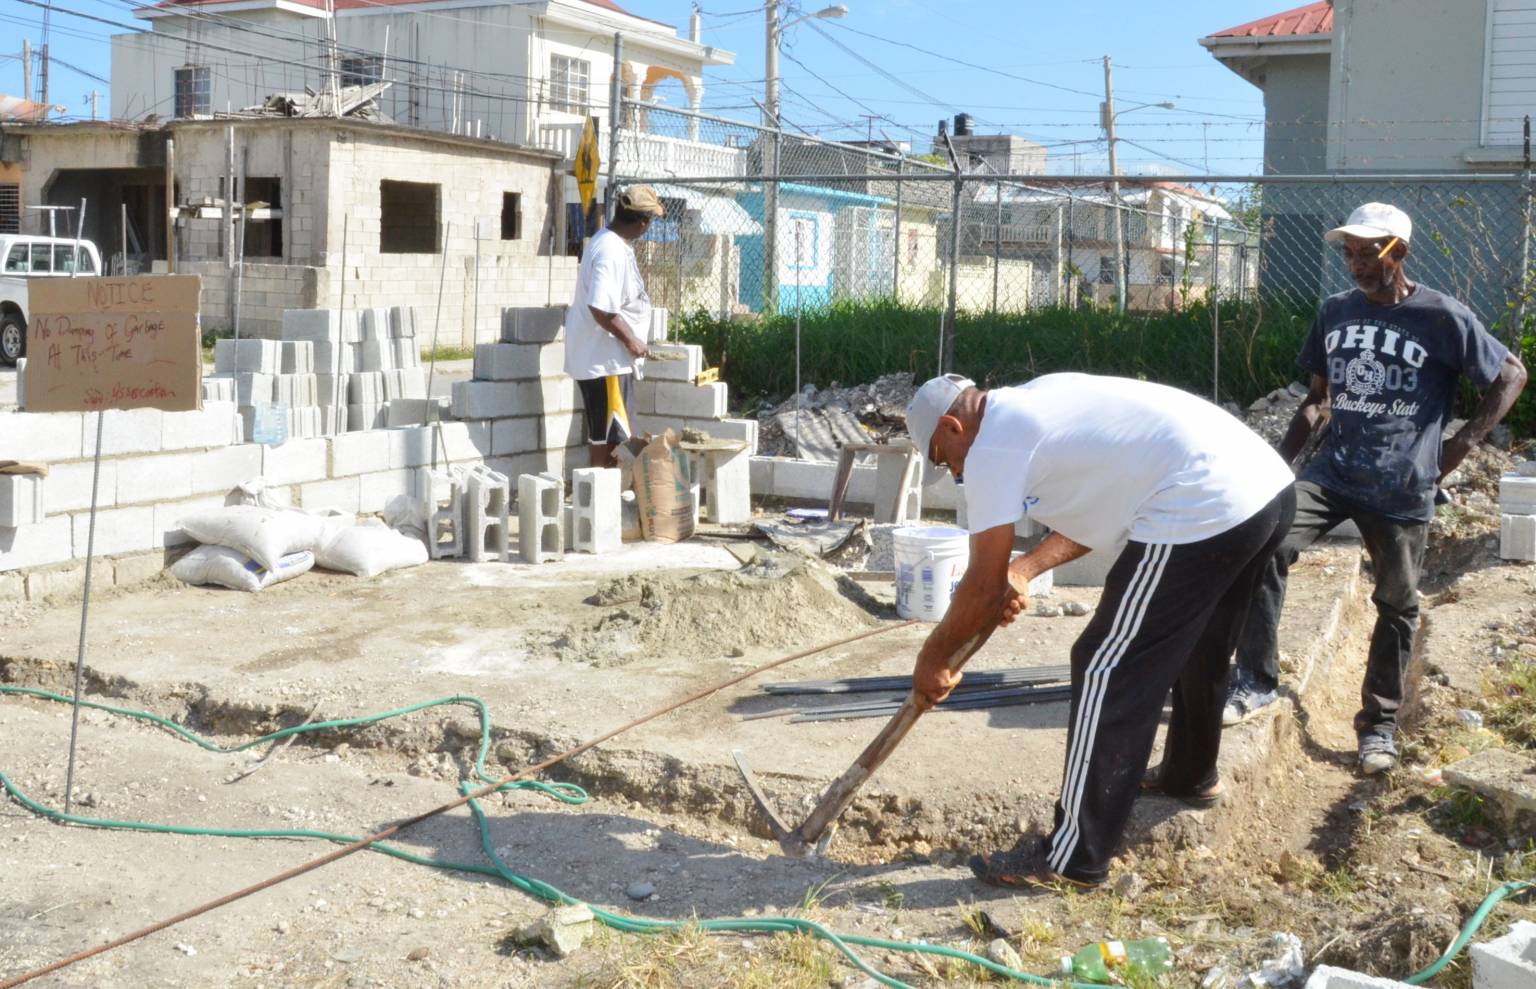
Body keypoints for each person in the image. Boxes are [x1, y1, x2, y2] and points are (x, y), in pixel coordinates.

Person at [904, 371, 1296, 889]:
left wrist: (933, 659)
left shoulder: (992, 447)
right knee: (1199, 643)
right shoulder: (1038, 406)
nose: (953, 471)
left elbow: (980, 582)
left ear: (953, 426)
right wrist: (1025, 570)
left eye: (942, 458)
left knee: (1105, 664)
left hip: (1205, 502)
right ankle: (1190, 773)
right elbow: (1097, 515)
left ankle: (1074, 859)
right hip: (1264, 487)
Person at [1222, 203, 1527, 775]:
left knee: (1396, 604)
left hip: (1402, 484)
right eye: (1349, 253)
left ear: (1399, 253)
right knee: (1265, 545)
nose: (1356, 265)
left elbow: (1511, 375)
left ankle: (1379, 726)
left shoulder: (1442, 316)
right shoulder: (1335, 312)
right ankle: (1256, 679)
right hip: (1335, 473)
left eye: (1369, 253)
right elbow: (1317, 401)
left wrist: (1458, 449)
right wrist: (1274, 473)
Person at [564, 186, 664, 468]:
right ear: (642, 222)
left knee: (607, 433)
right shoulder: (610, 250)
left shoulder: (611, 243)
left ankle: (599, 496)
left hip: (606, 358)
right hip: (605, 359)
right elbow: (601, 307)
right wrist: (631, 340)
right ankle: (600, 499)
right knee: (610, 437)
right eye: (650, 221)